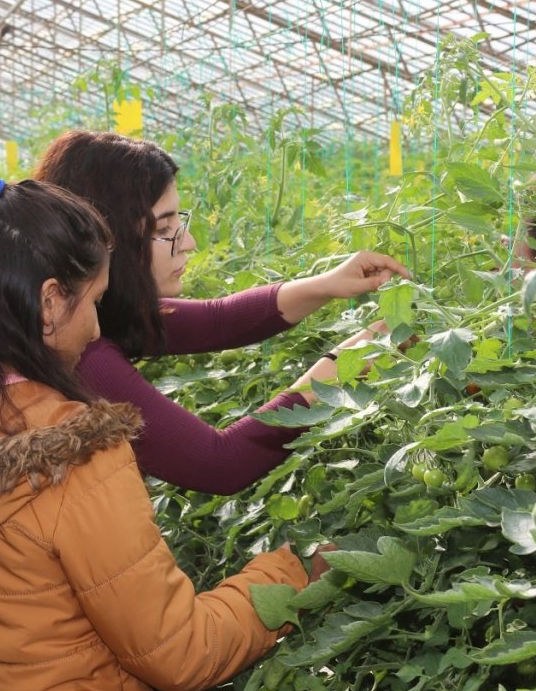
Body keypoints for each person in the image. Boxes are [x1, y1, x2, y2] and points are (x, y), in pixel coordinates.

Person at [0, 169, 323, 691]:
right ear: (49, 302)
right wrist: (294, 572)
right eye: (92, 301)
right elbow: (181, 653)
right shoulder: (77, 455)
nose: (96, 327)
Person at [34, 130, 411, 495]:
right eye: (165, 227)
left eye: (180, 221)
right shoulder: (78, 352)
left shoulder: (78, 312)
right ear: (108, 240)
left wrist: (327, 284)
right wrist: (339, 368)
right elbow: (220, 464)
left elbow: (218, 320)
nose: (189, 242)